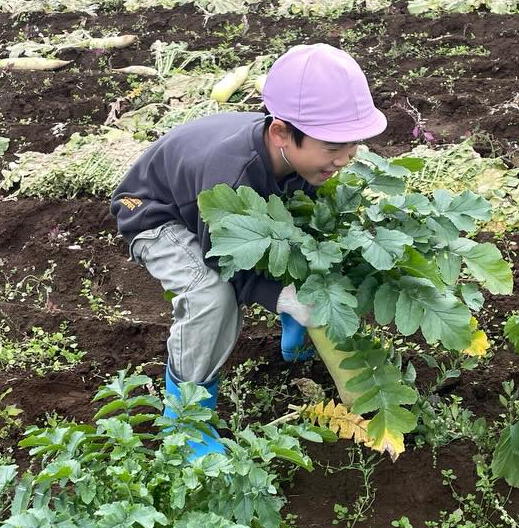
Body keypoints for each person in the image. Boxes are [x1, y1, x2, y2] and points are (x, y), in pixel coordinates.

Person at [111, 44, 387, 457]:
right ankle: (185, 415)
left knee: (301, 236)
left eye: (354, 145)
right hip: (154, 212)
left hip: (210, 213)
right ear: (280, 132)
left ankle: (297, 328)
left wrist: (299, 292)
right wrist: (280, 297)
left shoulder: (300, 157)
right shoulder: (232, 172)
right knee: (210, 293)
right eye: (333, 148)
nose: (345, 159)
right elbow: (221, 259)